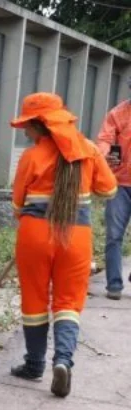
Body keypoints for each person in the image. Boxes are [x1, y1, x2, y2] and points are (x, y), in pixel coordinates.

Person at [9, 93, 117, 397]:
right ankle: (64, 360)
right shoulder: (89, 150)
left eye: (28, 126)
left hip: (35, 233)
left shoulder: (31, 157)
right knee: (68, 303)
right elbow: (108, 190)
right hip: (76, 234)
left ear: (39, 125)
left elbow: (17, 203)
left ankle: (34, 365)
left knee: (34, 300)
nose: (26, 132)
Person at [95, 78, 131, 300]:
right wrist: (103, 153)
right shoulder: (118, 114)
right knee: (114, 235)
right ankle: (114, 285)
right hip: (119, 184)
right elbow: (105, 139)